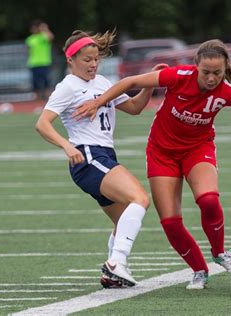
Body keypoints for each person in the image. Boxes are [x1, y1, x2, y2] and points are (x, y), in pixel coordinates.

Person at [73, 39, 231, 290]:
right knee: (170, 221)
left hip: (197, 149)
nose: (211, 78)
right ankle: (199, 271)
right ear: (196, 67)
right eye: (206, 72)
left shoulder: (229, 91)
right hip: (162, 153)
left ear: (225, 69)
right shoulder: (179, 76)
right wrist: (98, 101)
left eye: (217, 72)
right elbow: (130, 82)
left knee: (208, 199)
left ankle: (219, 252)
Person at [35, 29, 165, 289]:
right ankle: (116, 264)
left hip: (104, 155)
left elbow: (135, 108)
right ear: (71, 60)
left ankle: (111, 272)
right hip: (88, 156)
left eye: (96, 59)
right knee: (139, 199)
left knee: (123, 220)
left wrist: (150, 83)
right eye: (87, 59)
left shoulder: (103, 83)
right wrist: (66, 146)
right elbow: (42, 124)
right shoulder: (68, 87)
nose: (93, 64)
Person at [26, 20, 54, 100]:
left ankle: (48, 100)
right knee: (35, 84)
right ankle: (36, 101)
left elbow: (51, 37)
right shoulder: (30, 39)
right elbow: (29, 51)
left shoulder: (43, 36)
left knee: (46, 83)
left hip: (44, 63)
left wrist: (45, 28)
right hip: (34, 63)